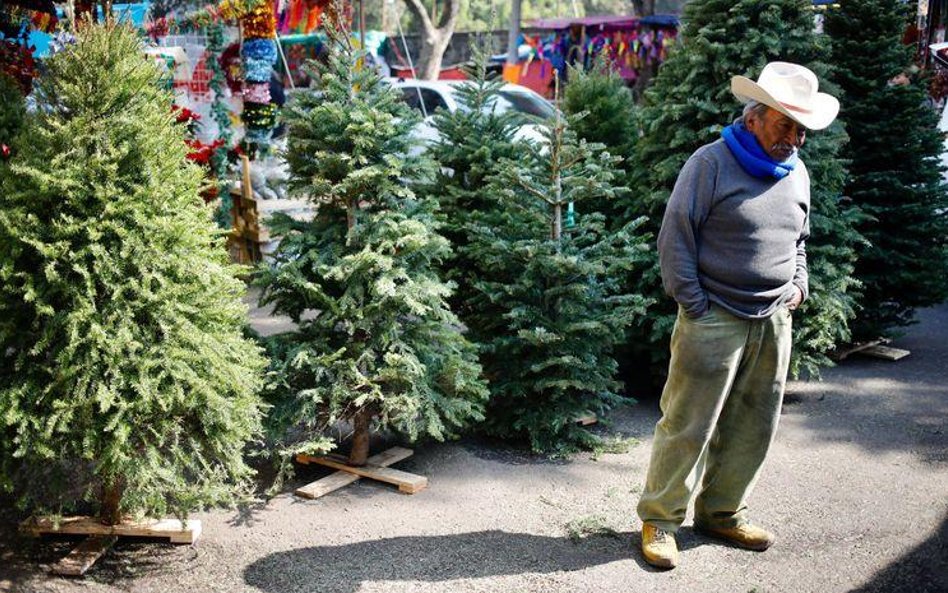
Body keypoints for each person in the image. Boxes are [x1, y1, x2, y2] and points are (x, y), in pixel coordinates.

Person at [637, 62, 840, 570]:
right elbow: (675, 238)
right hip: (714, 317)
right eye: (784, 125)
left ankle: (722, 513)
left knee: (754, 425)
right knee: (688, 424)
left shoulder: (796, 171)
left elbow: (800, 240)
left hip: (774, 318)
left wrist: (797, 286)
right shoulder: (710, 163)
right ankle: (660, 521)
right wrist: (696, 306)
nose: (794, 138)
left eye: (801, 129)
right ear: (754, 117)